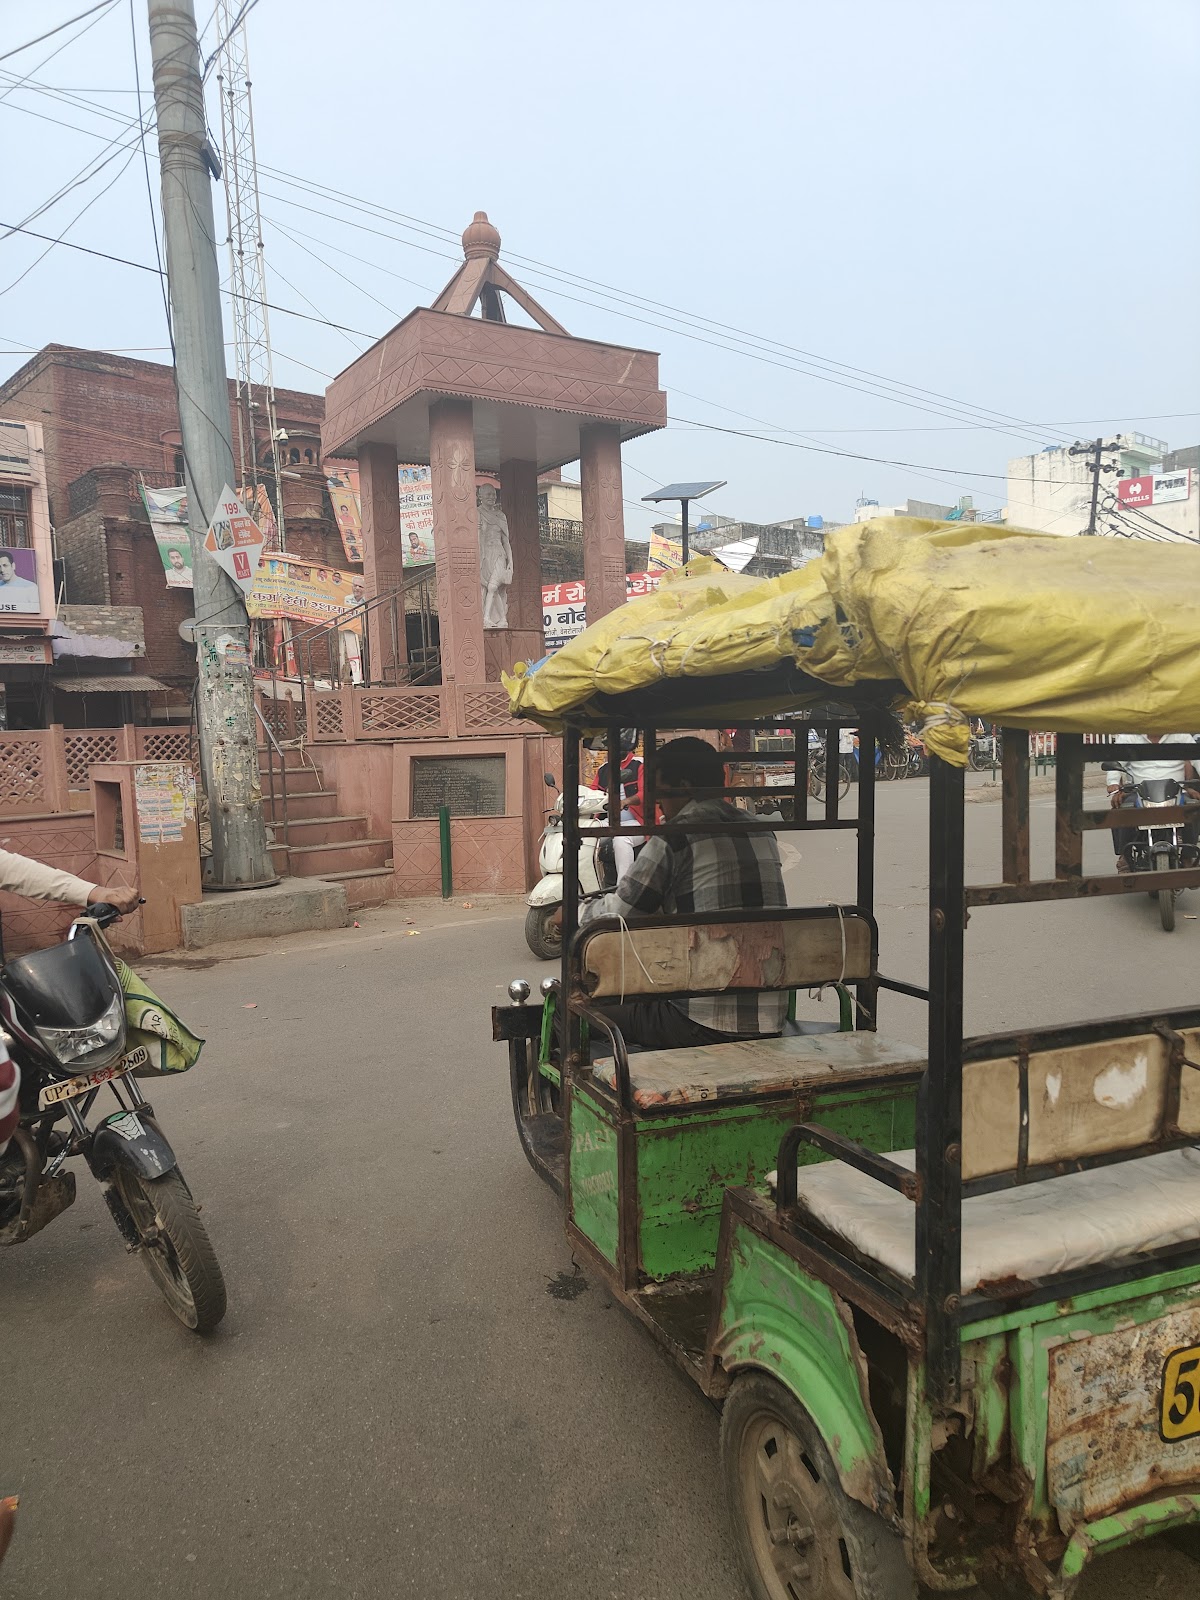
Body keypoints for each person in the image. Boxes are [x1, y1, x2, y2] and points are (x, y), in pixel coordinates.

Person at [577, 736, 787, 1050]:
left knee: (572, 1010)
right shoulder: (761, 830)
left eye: (662, 797)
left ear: (685, 786)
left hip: (702, 1024)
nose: (659, 808)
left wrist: (573, 914)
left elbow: (619, 914)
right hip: (771, 1018)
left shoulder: (675, 837)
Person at [1107, 733, 1200, 870]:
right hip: (1138, 791)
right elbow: (1116, 763)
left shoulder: (1182, 737)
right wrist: (1113, 783)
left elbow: (1197, 759)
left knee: (1193, 807)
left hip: (1176, 791)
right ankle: (1125, 856)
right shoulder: (1128, 737)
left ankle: (1188, 855)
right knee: (1121, 810)